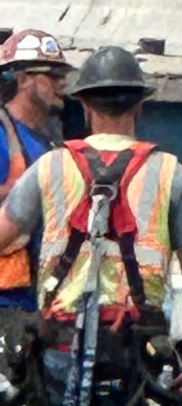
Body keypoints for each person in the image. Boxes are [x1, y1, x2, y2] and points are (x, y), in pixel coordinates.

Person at [0, 46, 182, 406]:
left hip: (58, 349)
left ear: (85, 107)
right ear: (139, 106)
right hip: (136, 355)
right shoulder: (169, 174)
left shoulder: (50, 167)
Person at [0, 31, 72, 392]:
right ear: (22, 78)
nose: (62, 84)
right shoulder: (2, 136)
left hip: (39, 305)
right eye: (51, 75)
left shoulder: (50, 141)